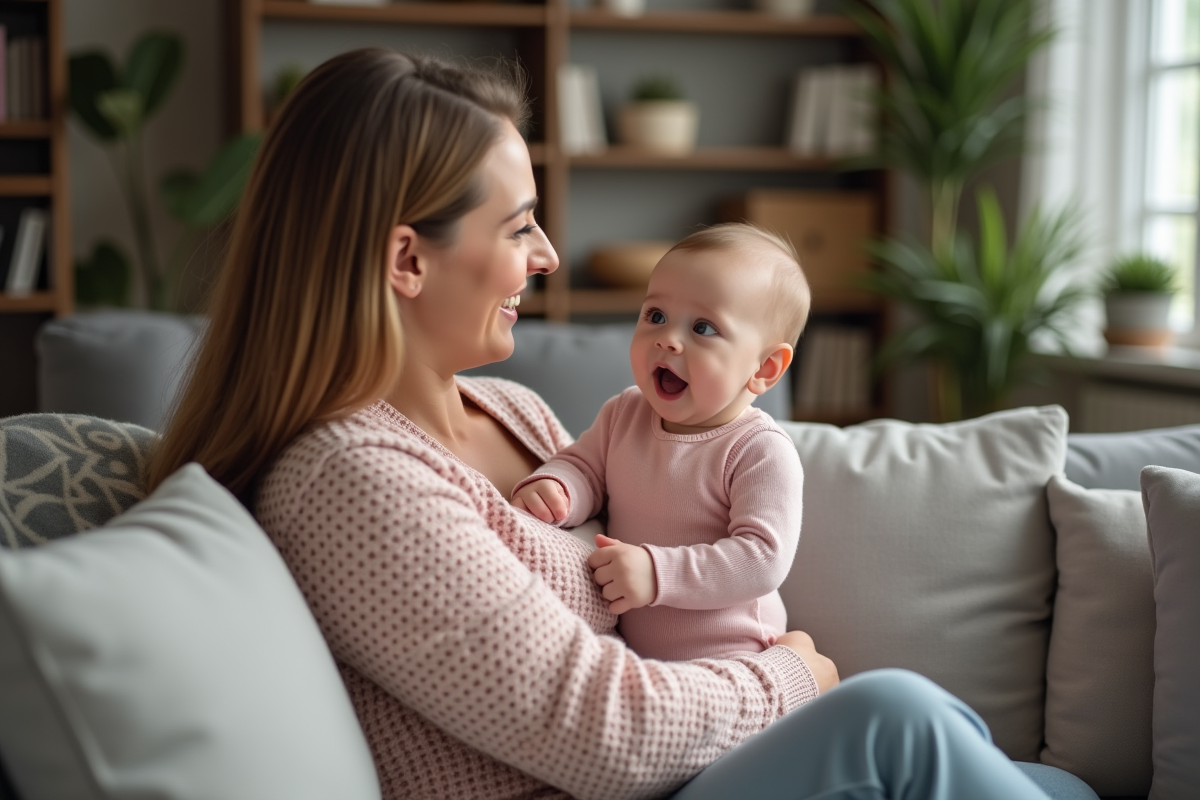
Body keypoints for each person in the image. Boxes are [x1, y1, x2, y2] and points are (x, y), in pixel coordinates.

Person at [148, 47, 1097, 800]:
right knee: (895, 719)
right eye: (519, 226)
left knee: (1047, 782)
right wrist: (795, 679)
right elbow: (606, 733)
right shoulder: (353, 482)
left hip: (699, 772)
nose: (550, 255)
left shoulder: (513, 412)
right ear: (407, 260)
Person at [511, 223, 809, 662]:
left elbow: (762, 558)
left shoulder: (759, 449)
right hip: (644, 663)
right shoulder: (624, 413)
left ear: (765, 368)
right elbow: (585, 468)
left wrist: (656, 573)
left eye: (704, 328)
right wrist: (557, 488)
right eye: (655, 316)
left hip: (737, 657)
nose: (667, 338)